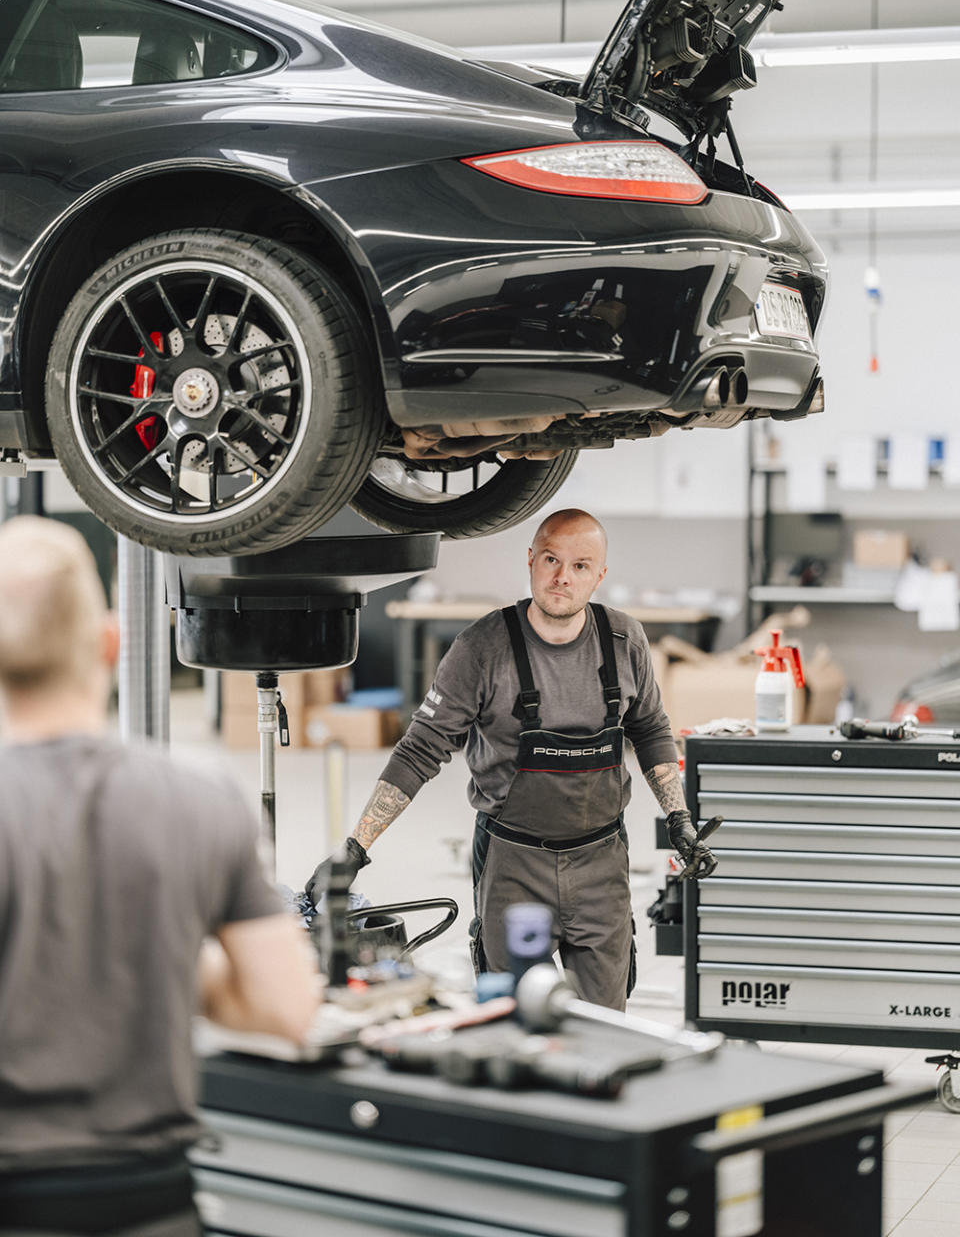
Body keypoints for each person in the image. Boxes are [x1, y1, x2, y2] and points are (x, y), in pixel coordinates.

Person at [0, 516, 317, 1237]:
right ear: (110, 643)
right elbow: (287, 1008)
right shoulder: (203, 801)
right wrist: (157, 953)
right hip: (154, 1207)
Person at [307, 508, 717, 1012]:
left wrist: (678, 819)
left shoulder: (624, 640)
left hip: (602, 865)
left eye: (581, 565)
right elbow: (420, 749)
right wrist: (355, 849)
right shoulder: (481, 649)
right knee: (516, 1018)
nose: (563, 577)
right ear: (530, 561)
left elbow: (652, 730)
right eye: (550, 559)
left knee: (606, 1021)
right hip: (513, 866)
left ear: (600, 575)